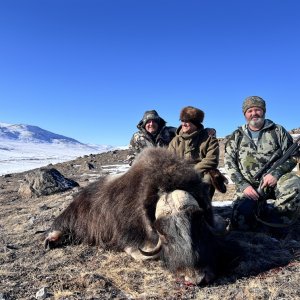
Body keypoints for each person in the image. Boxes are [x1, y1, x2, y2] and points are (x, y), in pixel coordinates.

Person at [224, 96, 300, 233]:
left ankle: (277, 226)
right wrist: (243, 185)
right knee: (241, 221)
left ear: (263, 111)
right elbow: (229, 164)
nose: (254, 113)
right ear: (245, 114)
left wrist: (275, 174)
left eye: (257, 109)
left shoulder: (278, 131)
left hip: (275, 181)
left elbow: (293, 157)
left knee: (294, 185)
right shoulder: (236, 136)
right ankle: (261, 208)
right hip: (249, 187)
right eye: (250, 111)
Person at [168, 106, 226, 199]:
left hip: (201, 173)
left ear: (196, 123)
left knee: (208, 178)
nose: (184, 123)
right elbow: (169, 161)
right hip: (180, 174)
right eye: (182, 120)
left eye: (187, 121)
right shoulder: (175, 141)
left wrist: (192, 172)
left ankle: (205, 207)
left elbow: (212, 160)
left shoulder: (209, 138)